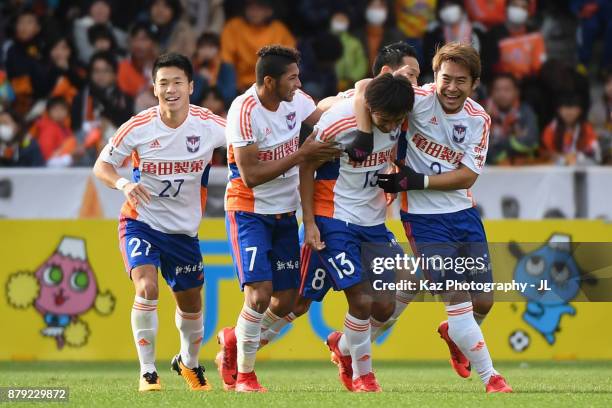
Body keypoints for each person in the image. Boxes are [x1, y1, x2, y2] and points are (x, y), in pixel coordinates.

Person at [354, 42, 512, 393]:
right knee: (455, 296)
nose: (452, 88)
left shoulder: (478, 119)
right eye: (445, 78)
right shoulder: (417, 98)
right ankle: (493, 379)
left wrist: (416, 179)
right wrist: (366, 138)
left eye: (461, 81)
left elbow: (467, 177)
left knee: (483, 301)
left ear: (474, 84)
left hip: (463, 212)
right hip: (423, 216)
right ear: (434, 77)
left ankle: (456, 336)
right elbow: (366, 88)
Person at [93, 52, 227, 392]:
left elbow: (244, 140)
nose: (170, 89)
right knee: (147, 288)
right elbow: (102, 167)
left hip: (183, 232)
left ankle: (188, 363)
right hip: (141, 222)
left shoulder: (209, 125)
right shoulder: (138, 127)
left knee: (192, 305)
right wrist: (124, 184)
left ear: (191, 87)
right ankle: (148, 371)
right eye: (163, 83)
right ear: (154, 88)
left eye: (177, 82)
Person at [216, 45, 341, 393]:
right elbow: (251, 174)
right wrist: (302, 154)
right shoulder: (244, 110)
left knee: (285, 301)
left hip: (285, 214)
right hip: (248, 211)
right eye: (292, 77)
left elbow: (322, 116)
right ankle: (245, 377)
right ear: (269, 81)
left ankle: (235, 340)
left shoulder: (297, 102)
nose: (298, 83)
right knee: (259, 294)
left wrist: (348, 100)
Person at [300, 73, 414, 392]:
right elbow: (306, 165)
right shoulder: (338, 121)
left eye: (397, 121)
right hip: (334, 218)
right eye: (386, 120)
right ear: (370, 107)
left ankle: (343, 347)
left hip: (373, 223)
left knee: (385, 305)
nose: (392, 127)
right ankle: (364, 377)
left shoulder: (397, 117)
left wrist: (392, 174)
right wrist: (309, 222)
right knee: (361, 300)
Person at [221, 0, 296, 91]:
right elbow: (226, 60)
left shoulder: (279, 30)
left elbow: (290, 60)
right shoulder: (233, 27)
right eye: (251, 7)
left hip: (271, 85)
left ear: (269, 11)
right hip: (238, 86)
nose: (254, 12)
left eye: (259, 8)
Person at [486, 73, 539, 165]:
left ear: (516, 92)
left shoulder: (526, 113)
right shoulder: (482, 114)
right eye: (497, 89)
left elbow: (530, 141)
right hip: (491, 171)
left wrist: (499, 144)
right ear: (491, 92)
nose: (501, 94)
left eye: (507, 90)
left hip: (523, 170)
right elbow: (476, 148)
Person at [540, 94, 601, 165]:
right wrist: (562, 158)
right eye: (565, 108)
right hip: (557, 168)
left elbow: (594, 150)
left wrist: (576, 157)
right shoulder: (551, 129)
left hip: (581, 167)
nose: (569, 112)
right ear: (559, 110)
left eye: (573, 108)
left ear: (579, 110)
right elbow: (545, 152)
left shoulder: (586, 128)